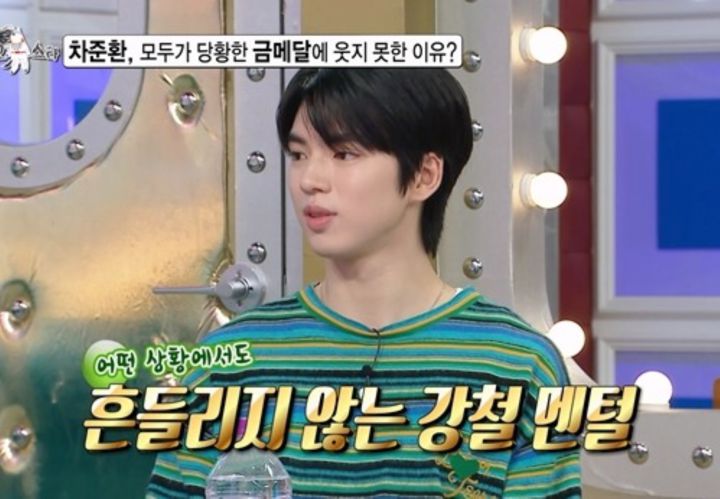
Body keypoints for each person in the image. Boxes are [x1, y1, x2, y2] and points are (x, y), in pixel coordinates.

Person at [147, 68, 581, 498]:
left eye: (344, 154)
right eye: (298, 154)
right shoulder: (227, 365)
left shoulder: (518, 365)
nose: (309, 180)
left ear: (424, 175)